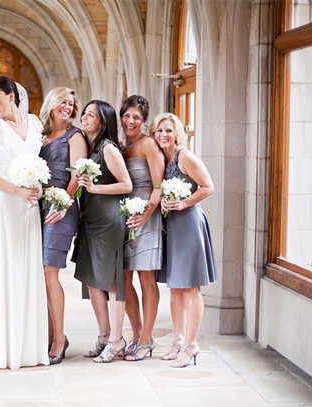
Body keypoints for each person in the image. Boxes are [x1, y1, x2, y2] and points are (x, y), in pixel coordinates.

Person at [0, 76, 51, 369]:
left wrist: (38, 185)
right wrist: (17, 190)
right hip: (3, 203)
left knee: (28, 270)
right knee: (4, 269)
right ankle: (5, 349)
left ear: (11, 96)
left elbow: (39, 161)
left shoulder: (34, 123)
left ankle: (30, 348)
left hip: (29, 206)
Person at [72, 100, 133, 363]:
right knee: (91, 279)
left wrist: (96, 189)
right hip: (89, 219)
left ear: (103, 121)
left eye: (90, 115)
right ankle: (104, 335)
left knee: (110, 281)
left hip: (108, 221)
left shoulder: (108, 149)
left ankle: (118, 339)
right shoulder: (88, 148)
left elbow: (126, 185)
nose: (84, 117)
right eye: (83, 113)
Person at [154, 113, 217, 368]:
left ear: (177, 132)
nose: (163, 135)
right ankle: (178, 340)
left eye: (168, 130)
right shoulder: (162, 158)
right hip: (172, 227)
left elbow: (208, 186)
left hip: (189, 226)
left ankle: (192, 345)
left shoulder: (185, 156)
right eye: (159, 131)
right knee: (175, 287)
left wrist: (183, 202)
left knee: (191, 288)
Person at [37, 86, 85, 364]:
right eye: (63, 102)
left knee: (49, 272)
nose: (67, 107)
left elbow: (77, 176)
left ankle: (59, 338)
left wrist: (62, 203)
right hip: (37, 208)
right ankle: (48, 332)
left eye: (71, 103)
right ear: (52, 103)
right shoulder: (40, 136)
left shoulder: (74, 135)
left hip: (61, 208)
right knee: (40, 274)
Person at [120, 96, 165, 361]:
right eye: (127, 115)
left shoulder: (149, 144)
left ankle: (147, 340)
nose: (130, 121)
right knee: (124, 280)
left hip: (147, 219)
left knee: (146, 278)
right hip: (125, 219)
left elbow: (158, 186)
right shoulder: (122, 145)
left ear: (144, 121)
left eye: (136, 117)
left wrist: (145, 215)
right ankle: (136, 333)